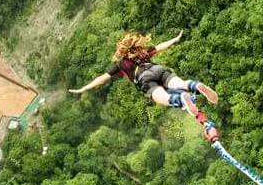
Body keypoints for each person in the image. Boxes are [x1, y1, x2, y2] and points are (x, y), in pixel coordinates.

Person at [69, 31, 220, 141]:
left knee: (163, 98)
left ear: (122, 50)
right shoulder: (143, 52)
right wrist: (175, 39)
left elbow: (102, 78)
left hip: (144, 78)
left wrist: (84, 88)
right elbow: (160, 47)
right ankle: (194, 85)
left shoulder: (121, 64)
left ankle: (180, 100)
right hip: (157, 69)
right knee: (180, 83)